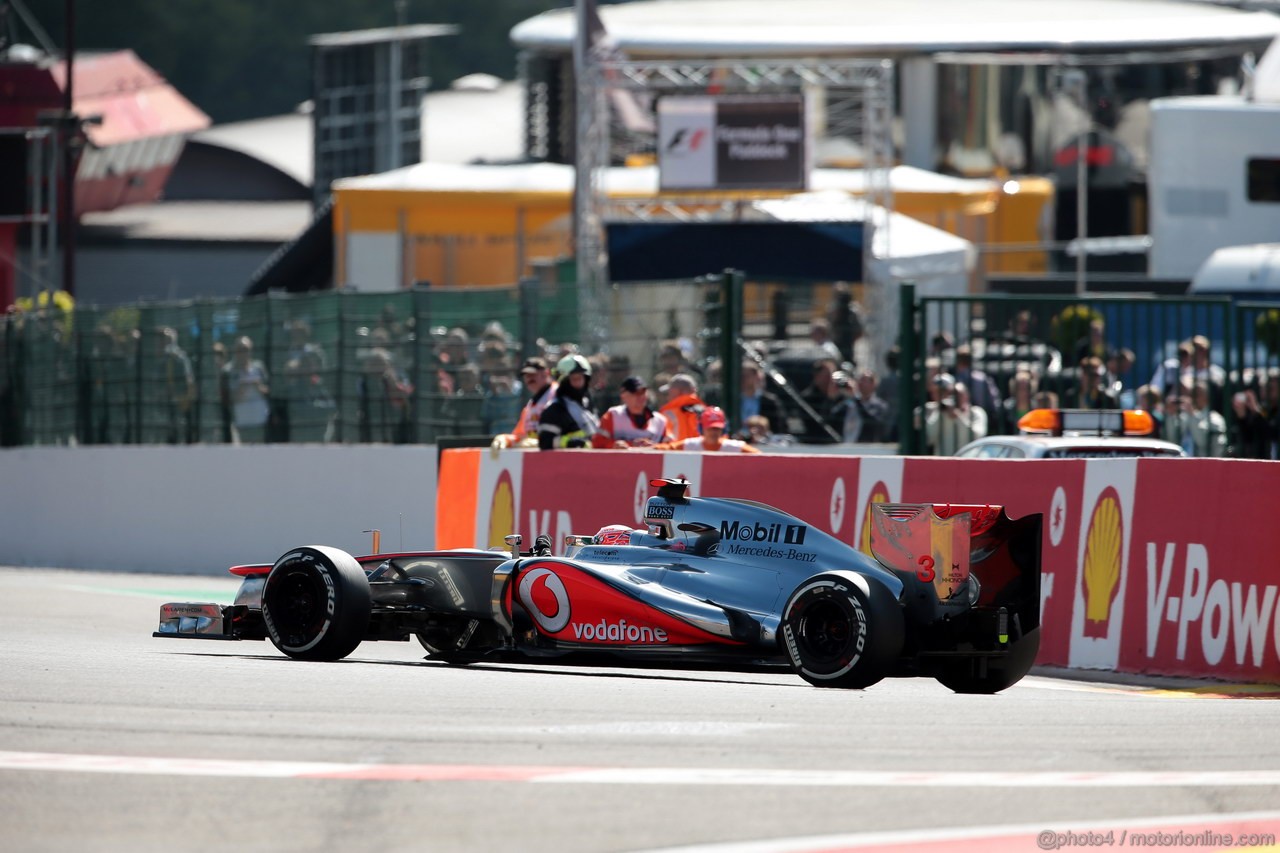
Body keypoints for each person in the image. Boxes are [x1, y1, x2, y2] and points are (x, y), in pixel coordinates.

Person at [491, 357, 556, 449]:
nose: (529, 379)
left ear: (546, 373)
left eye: (533, 374)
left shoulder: (559, 395)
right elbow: (520, 436)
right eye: (526, 375)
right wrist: (506, 439)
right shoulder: (530, 406)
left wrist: (542, 442)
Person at [538, 354, 600, 449]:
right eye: (574, 379)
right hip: (565, 462)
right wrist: (569, 443)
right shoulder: (554, 411)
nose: (579, 383)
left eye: (581, 378)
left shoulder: (588, 406)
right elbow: (545, 442)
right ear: (564, 382)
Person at [592, 375, 671, 448]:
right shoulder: (613, 415)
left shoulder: (661, 421)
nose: (640, 396)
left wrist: (656, 447)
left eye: (643, 391)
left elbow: (671, 446)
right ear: (623, 396)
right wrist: (615, 445)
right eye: (635, 392)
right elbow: (597, 443)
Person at [222, 335, 271, 444]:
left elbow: (268, 391)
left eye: (246, 350)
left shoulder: (259, 367)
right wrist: (243, 387)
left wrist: (257, 386)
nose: (243, 354)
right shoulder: (228, 371)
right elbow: (228, 398)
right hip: (241, 422)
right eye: (240, 350)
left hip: (261, 421)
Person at [656, 406, 762, 453]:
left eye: (717, 428)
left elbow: (759, 456)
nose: (713, 432)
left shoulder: (735, 447)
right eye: (710, 428)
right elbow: (666, 448)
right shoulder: (690, 445)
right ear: (701, 428)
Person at [925, 378, 987, 456]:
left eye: (958, 394)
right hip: (944, 461)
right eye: (950, 394)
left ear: (966, 395)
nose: (954, 397)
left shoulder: (976, 413)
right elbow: (930, 438)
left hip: (968, 460)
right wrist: (940, 412)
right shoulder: (942, 412)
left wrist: (958, 416)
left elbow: (976, 437)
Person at [832, 368, 891, 443]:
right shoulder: (849, 402)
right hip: (845, 445)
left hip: (865, 447)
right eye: (859, 380)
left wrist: (856, 399)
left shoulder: (880, 405)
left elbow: (872, 422)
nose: (860, 383)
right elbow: (834, 415)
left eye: (864, 380)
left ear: (873, 384)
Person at [657, 373, 707, 441]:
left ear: (678, 391)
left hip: (675, 450)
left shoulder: (666, 414)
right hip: (701, 451)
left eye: (669, 392)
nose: (667, 397)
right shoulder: (707, 412)